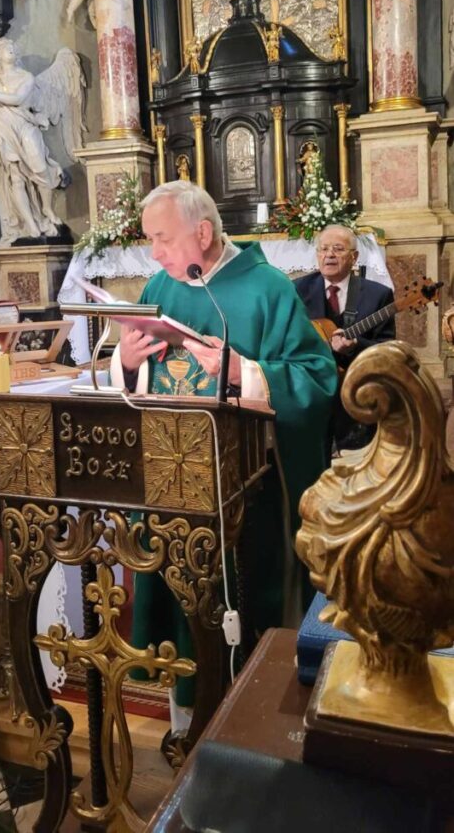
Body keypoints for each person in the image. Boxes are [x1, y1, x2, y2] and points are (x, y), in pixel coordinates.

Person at [110, 181, 337, 708]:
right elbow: (137, 377)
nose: (154, 253)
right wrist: (127, 360)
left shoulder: (267, 288)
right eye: (150, 240)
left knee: (245, 609)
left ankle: (254, 714)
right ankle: (186, 714)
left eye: (163, 239)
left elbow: (317, 377)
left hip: (247, 490)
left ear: (204, 233)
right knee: (182, 616)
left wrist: (246, 373)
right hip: (175, 483)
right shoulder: (160, 287)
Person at [295, 225, 395, 452]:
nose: (329, 255)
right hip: (312, 392)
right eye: (323, 249)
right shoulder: (297, 290)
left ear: (354, 257)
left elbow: (386, 349)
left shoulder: (378, 295)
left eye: (338, 249)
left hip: (357, 393)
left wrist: (356, 345)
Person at [0, 38, 71, 244]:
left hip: (25, 125)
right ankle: (31, 225)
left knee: (41, 168)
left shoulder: (26, 77)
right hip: (1, 128)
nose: (10, 49)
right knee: (16, 178)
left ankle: (46, 208)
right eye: (5, 47)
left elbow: (18, 99)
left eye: (13, 47)